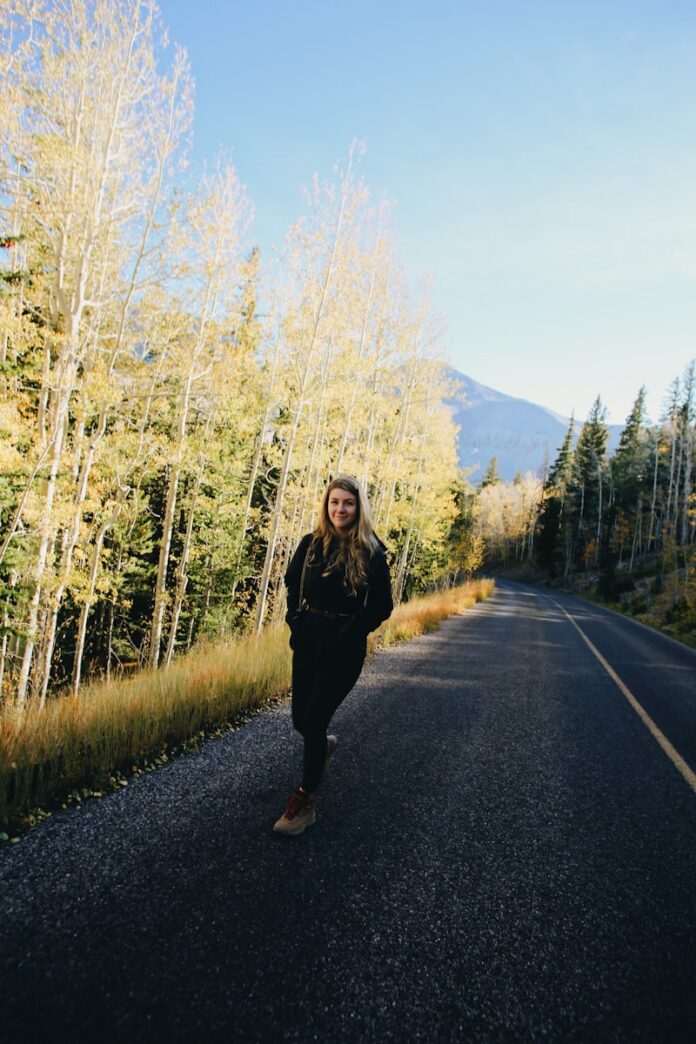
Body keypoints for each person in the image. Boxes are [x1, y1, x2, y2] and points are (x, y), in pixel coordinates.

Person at [273, 475, 393, 836]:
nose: (340, 509)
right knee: (301, 721)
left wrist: (352, 632)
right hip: (308, 641)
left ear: (359, 508)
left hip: (344, 650)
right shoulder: (310, 544)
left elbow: (382, 607)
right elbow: (291, 582)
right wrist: (294, 618)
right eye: (335, 502)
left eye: (348, 503)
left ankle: (304, 803)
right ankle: (321, 746)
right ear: (327, 506)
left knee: (312, 720)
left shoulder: (372, 551)